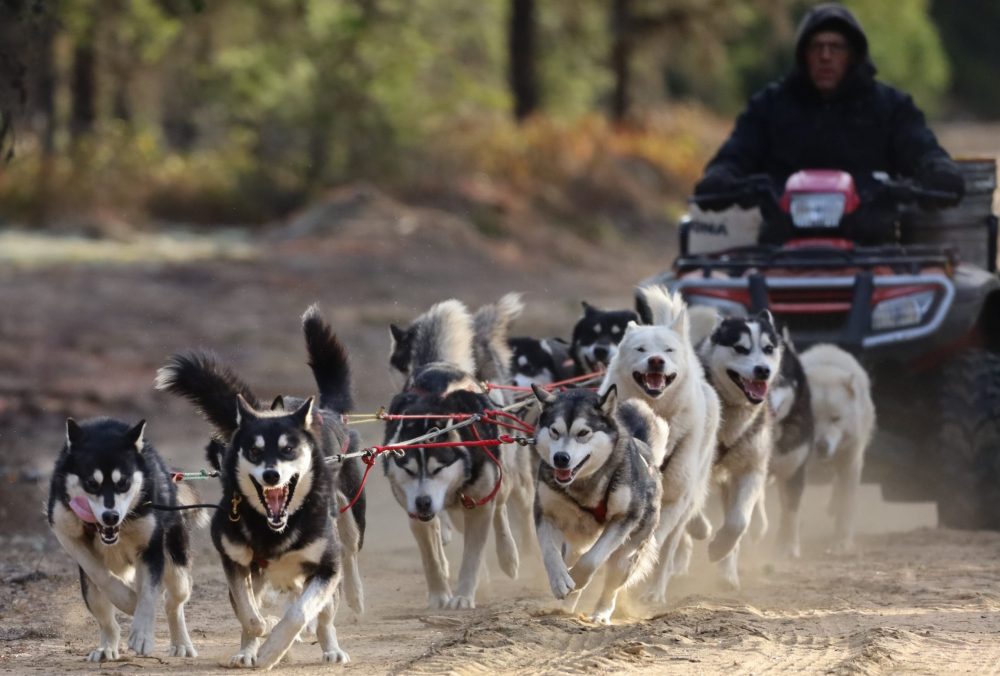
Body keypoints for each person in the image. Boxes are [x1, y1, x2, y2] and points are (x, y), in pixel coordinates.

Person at [693, 3, 964, 242]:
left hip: (872, 248)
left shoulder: (890, 106)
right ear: (803, 55)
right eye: (816, 47)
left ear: (854, 54)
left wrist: (937, 170)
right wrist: (720, 177)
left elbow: (921, 147)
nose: (825, 56)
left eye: (836, 47)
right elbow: (737, 151)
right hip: (779, 248)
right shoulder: (770, 105)